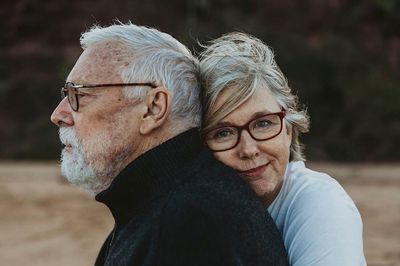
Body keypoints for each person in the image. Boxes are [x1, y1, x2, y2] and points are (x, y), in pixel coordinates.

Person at [50, 23, 289, 266]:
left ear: (153, 108)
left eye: (80, 94)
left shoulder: (189, 223)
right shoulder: (160, 208)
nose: (59, 114)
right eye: (65, 95)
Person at [200, 32, 367, 266]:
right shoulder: (195, 210)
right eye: (223, 133)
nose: (248, 149)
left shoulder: (320, 202)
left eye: (263, 123)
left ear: (288, 130)